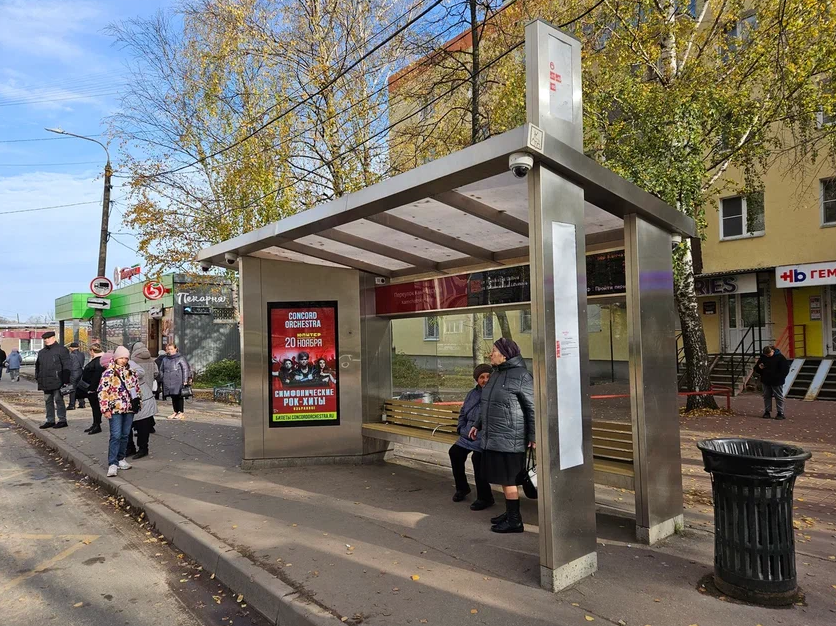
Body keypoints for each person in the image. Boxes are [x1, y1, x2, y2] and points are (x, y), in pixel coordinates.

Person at [469, 338, 535, 534]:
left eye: (494, 351)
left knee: (509, 479)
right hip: (495, 436)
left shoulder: (522, 376)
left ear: (505, 355)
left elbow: (532, 408)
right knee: (505, 479)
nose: (491, 354)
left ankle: (515, 520)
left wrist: (534, 435)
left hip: (511, 437)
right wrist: (477, 424)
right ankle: (510, 513)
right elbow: (486, 403)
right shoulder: (496, 374)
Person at [449, 364, 493, 510]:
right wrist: (461, 428)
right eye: (481, 377)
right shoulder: (472, 394)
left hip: (485, 435)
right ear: (476, 379)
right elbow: (463, 413)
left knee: (477, 458)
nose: (485, 380)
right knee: (455, 453)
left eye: (488, 376)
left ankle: (485, 497)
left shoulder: (494, 393)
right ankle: (462, 488)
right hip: (467, 433)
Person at [97, 346, 141, 477]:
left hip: (129, 408)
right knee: (115, 435)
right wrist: (105, 409)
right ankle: (113, 462)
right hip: (115, 408)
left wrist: (138, 403)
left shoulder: (131, 372)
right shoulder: (108, 373)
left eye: (126, 358)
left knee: (125, 435)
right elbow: (103, 391)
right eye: (121, 358)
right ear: (116, 358)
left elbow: (136, 389)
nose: (123, 360)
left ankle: (121, 458)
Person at [35, 331, 71, 429]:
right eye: (45, 339)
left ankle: (62, 420)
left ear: (54, 338)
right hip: (45, 381)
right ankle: (50, 420)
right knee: (48, 401)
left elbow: (67, 365)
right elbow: (38, 366)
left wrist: (65, 381)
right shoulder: (42, 352)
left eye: (48, 338)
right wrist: (38, 377)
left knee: (59, 400)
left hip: (58, 381)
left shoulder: (61, 350)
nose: (46, 340)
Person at [129, 342, 159, 459]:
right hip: (147, 387)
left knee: (139, 419)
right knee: (144, 417)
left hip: (137, 390)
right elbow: (156, 373)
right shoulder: (151, 359)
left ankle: (137, 447)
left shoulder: (132, 361)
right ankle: (149, 427)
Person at [754, 345, 791, 420]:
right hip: (766, 380)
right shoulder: (763, 358)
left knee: (778, 396)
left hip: (777, 381)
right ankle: (767, 411)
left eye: (769, 354)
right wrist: (759, 368)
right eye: (766, 355)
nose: (767, 356)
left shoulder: (780, 358)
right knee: (766, 396)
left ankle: (780, 412)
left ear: (773, 351)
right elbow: (756, 368)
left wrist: (779, 377)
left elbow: (785, 370)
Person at [160, 343, 191, 420]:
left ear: (175, 349)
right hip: (168, 380)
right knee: (173, 396)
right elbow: (161, 370)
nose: (170, 351)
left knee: (179, 396)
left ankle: (181, 412)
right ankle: (175, 411)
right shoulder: (165, 359)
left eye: (171, 349)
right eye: (168, 349)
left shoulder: (180, 358)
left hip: (178, 380)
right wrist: (162, 378)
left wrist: (185, 380)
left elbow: (185, 369)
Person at [81, 345, 107, 434]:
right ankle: (95, 424)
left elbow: (97, 376)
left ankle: (97, 425)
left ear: (92, 351)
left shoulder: (98, 361)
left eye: (90, 351)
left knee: (96, 407)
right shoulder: (98, 360)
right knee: (94, 407)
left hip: (94, 388)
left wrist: (92, 388)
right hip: (93, 387)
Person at [67, 342, 86, 410]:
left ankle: (72, 405)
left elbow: (68, 365)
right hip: (80, 372)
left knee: (72, 389)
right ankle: (82, 403)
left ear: (71, 348)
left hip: (73, 373)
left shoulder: (70, 355)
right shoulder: (82, 354)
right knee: (80, 388)